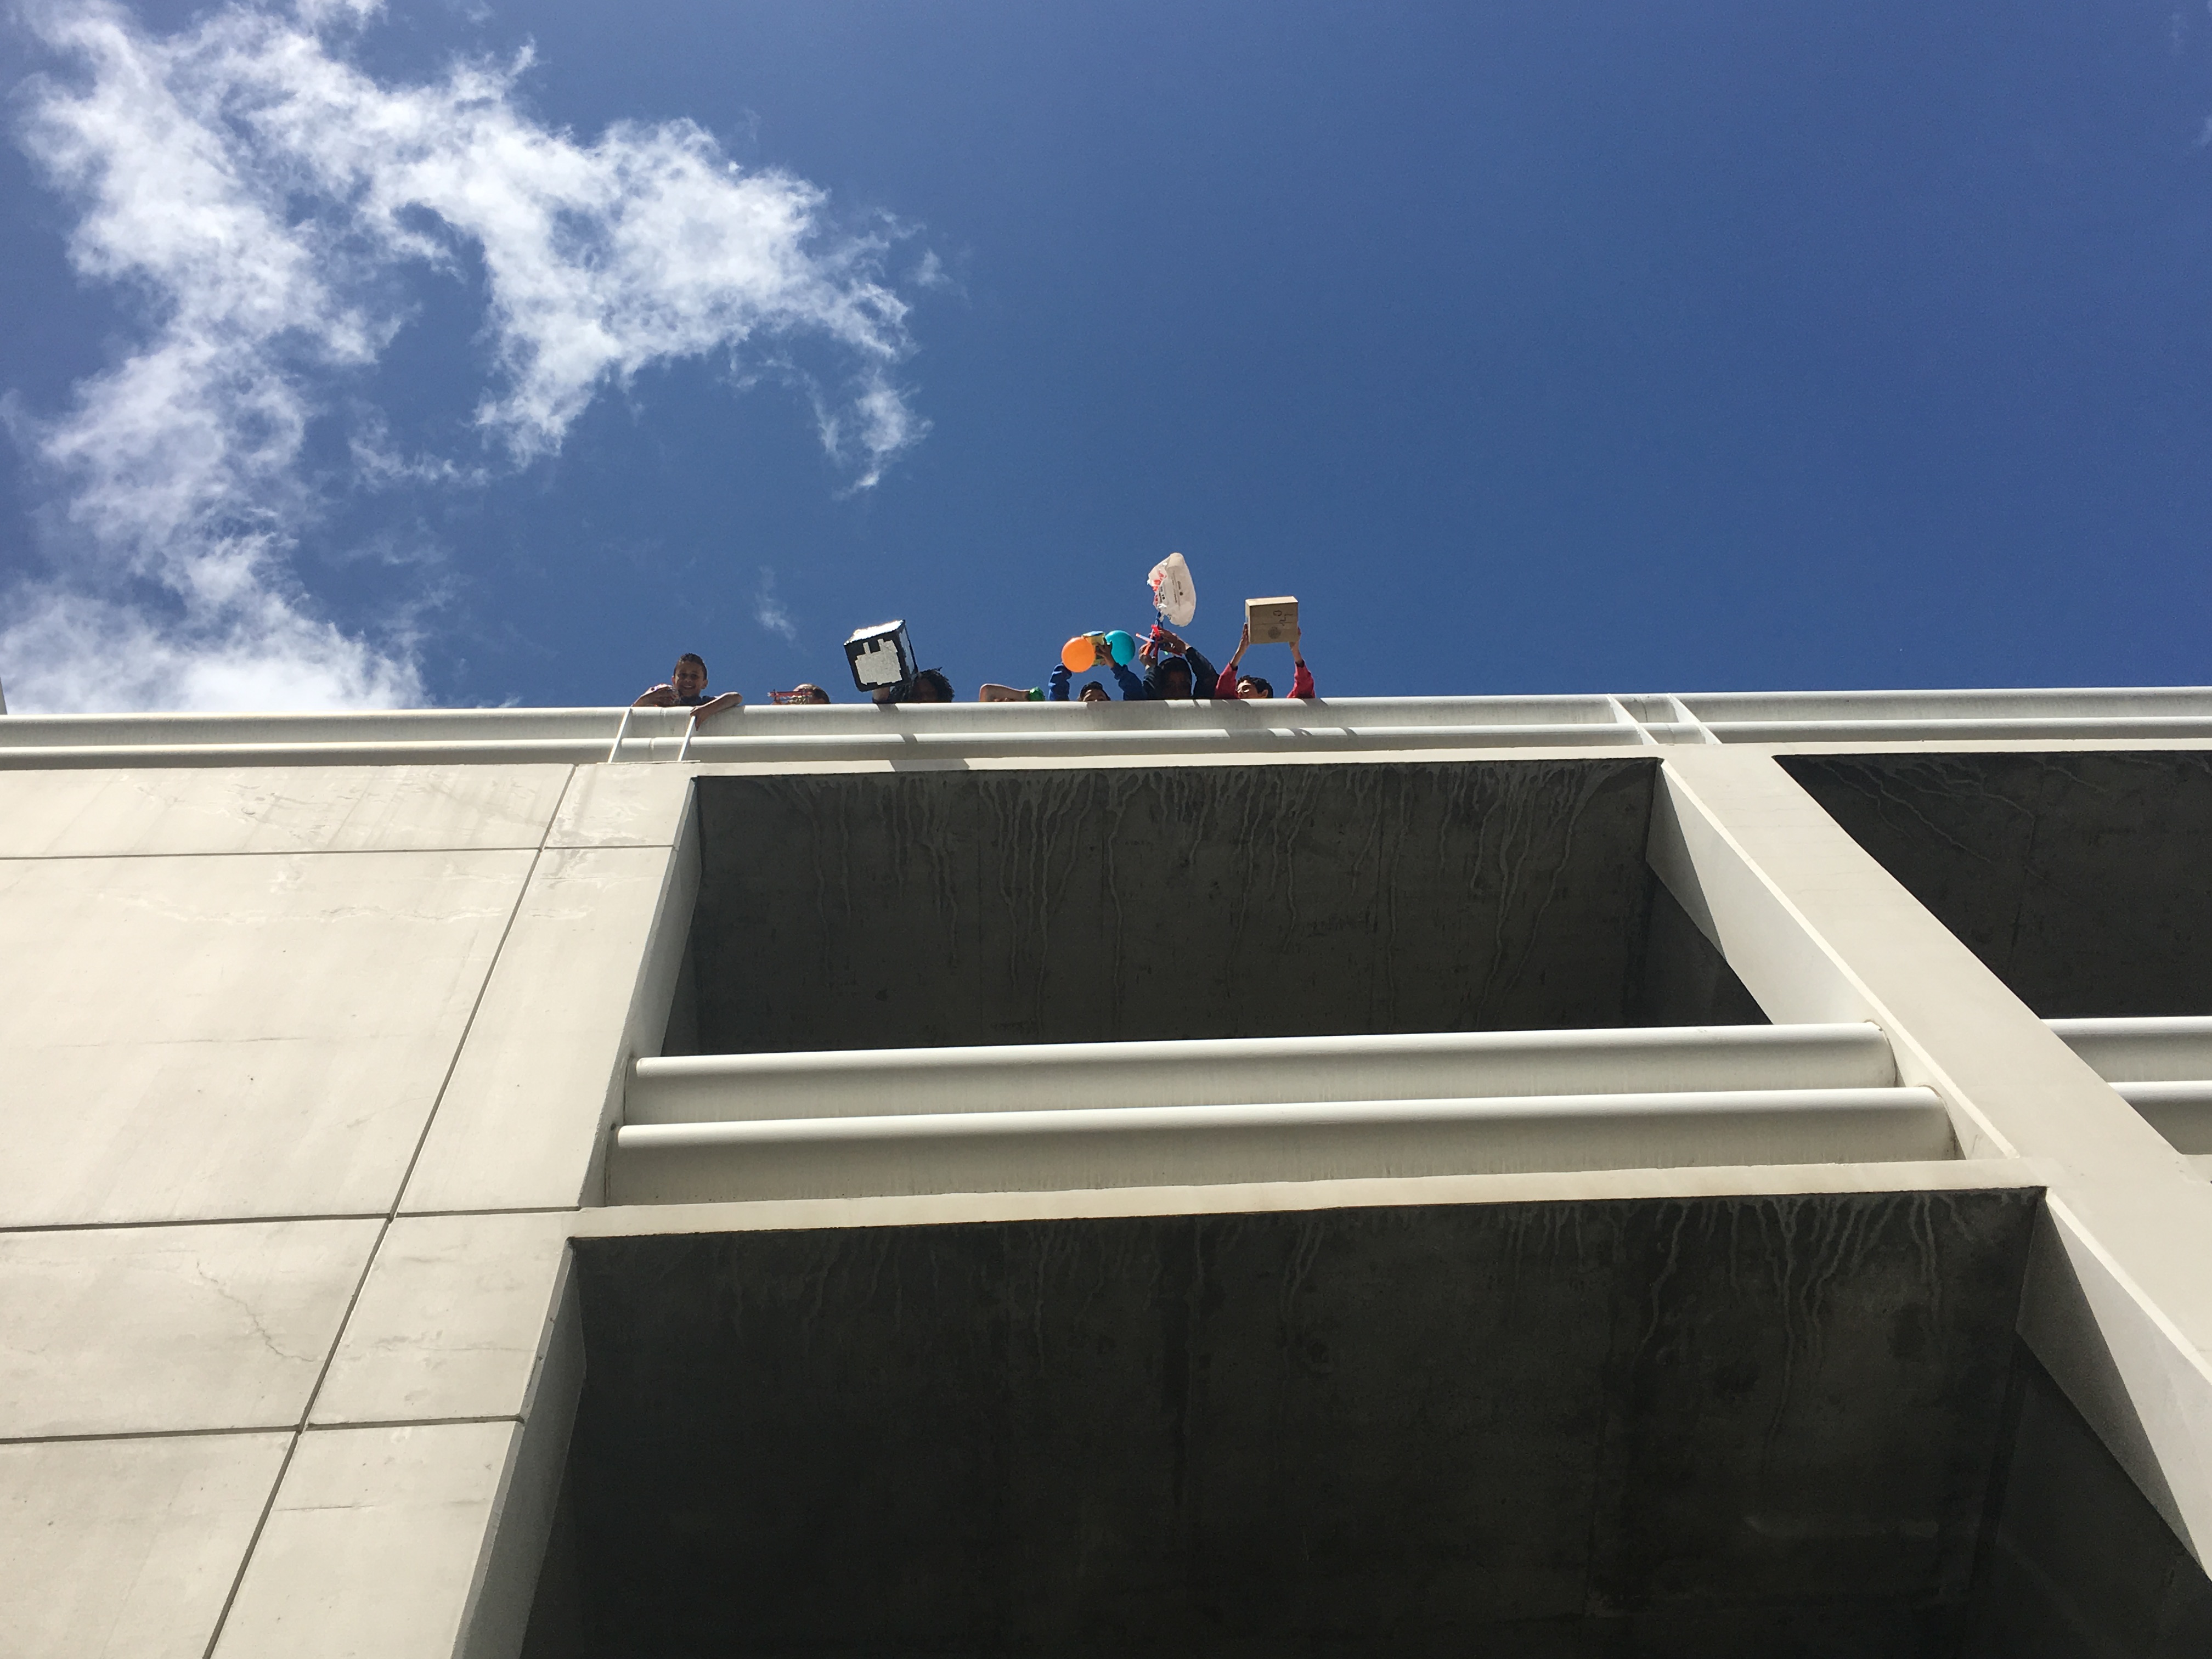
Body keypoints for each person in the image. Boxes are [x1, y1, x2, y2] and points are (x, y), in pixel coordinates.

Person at [1216, 622, 1313, 699]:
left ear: (1263, 694)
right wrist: (1240, 652)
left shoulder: (1282, 713)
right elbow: (1224, 688)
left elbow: (1304, 689)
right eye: (1238, 690)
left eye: (1246, 688)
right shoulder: (1232, 712)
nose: (1239, 693)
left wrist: (1296, 652)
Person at [635, 653, 743, 720]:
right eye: (683, 675)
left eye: (694, 676)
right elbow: (634, 712)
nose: (688, 680)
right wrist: (648, 698)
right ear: (674, 680)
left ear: (704, 683)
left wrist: (707, 710)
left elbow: (736, 698)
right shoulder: (664, 702)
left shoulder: (703, 703)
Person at [1136, 625, 1220, 701]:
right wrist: (1151, 668)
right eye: (1170, 686)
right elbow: (1148, 696)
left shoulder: (1197, 710)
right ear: (1161, 689)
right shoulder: (1154, 711)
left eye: (1184, 686)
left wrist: (1182, 645)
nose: (1178, 692)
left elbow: (1209, 678)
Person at [873, 668, 955, 705]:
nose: (924, 699)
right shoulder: (895, 721)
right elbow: (881, 700)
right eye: (916, 696)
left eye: (930, 694)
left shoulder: (954, 725)